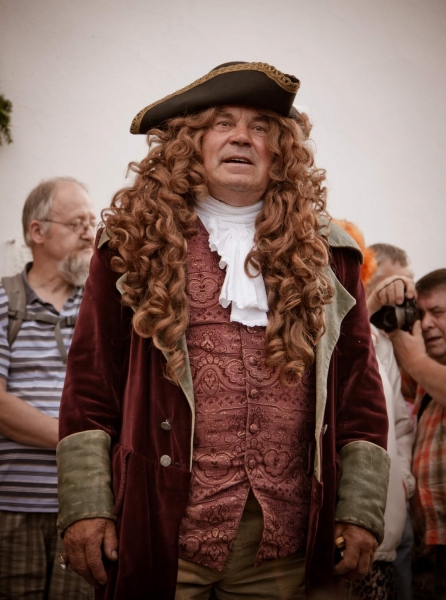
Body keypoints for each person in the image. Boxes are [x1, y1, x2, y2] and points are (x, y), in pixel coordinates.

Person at [56, 62, 390, 600]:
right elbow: (90, 388)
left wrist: (361, 508)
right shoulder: (130, 244)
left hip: (285, 545)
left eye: (260, 126)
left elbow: (360, 394)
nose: (241, 137)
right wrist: (86, 505)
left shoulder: (330, 255)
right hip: (161, 529)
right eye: (222, 122)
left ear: (281, 150)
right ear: (190, 142)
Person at [0, 177, 96, 599]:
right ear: (37, 231)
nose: (90, 234)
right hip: (10, 509)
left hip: (86, 511)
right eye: (77, 223)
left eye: (92, 222)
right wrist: (80, 444)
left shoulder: (102, 304)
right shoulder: (3, 300)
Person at [334, 223, 415, 600]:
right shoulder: (324, 337)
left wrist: (404, 481)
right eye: (386, 284)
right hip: (331, 531)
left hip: (384, 531)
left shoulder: (383, 346)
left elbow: (401, 424)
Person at [390, 269, 446, 599]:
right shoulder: (425, 378)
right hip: (431, 543)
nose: (425, 324)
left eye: (437, 312)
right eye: (420, 315)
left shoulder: (421, 366)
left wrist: (414, 358)